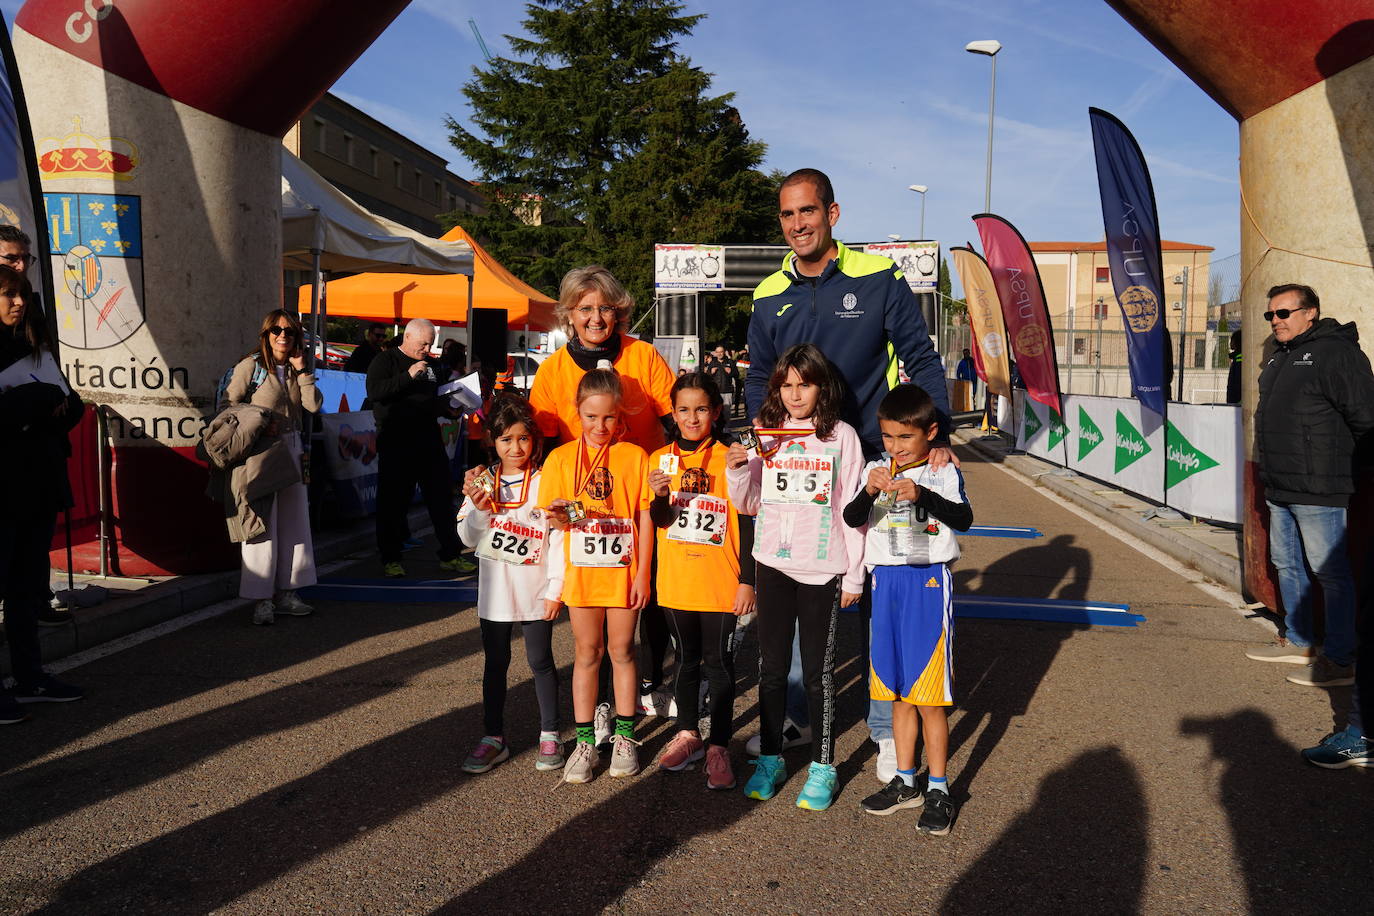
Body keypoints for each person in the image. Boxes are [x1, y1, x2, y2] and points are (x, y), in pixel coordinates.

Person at [745, 168, 955, 782]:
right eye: (786, 215)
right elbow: (761, 376)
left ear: (832, 213)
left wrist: (934, 435)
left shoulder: (877, 278)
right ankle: (799, 717)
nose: (797, 225)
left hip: (872, 461)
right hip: (797, 467)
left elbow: (919, 358)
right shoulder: (767, 294)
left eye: (807, 212)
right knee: (793, 578)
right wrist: (766, 438)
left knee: (873, 597)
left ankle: (890, 732)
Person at [528, 266, 677, 721]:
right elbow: (540, 442)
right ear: (569, 315)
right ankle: (601, 704)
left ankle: (649, 683)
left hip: (642, 495)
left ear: (619, 313)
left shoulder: (644, 356)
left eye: (604, 309)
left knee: (646, 597)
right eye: (585, 308)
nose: (595, 318)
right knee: (593, 624)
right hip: (586, 510)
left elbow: (676, 421)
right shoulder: (552, 371)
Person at [727, 344, 865, 811]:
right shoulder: (767, 436)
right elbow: (748, 503)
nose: (794, 394)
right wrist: (736, 471)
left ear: (821, 386)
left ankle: (824, 766)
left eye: (803, 383)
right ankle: (770, 757)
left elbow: (853, 509)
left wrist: (854, 576)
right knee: (770, 670)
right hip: (772, 563)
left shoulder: (842, 435)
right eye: (786, 385)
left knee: (818, 674)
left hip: (823, 567)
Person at [844, 384, 973, 836]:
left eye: (905, 437)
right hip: (887, 582)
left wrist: (923, 496)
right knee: (896, 692)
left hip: (927, 582)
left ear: (930, 434)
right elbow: (853, 517)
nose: (895, 447)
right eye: (888, 437)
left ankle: (939, 787)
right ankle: (905, 781)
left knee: (929, 698)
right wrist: (868, 491)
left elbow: (964, 519)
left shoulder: (941, 470)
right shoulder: (878, 468)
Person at [1246, 284, 1374, 690]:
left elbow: (1366, 415)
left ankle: (1339, 659)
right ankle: (1300, 640)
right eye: (1270, 315)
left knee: (1330, 573)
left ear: (1310, 313)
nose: (1276, 321)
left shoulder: (1336, 353)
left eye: (1283, 313)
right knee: (1287, 564)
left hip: (1319, 486)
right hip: (1281, 484)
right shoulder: (1282, 357)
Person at [540, 366, 653, 783]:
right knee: (588, 653)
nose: (600, 426)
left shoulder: (634, 456)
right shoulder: (561, 458)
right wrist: (557, 515)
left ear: (620, 414)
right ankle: (586, 742)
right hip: (583, 573)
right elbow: (551, 520)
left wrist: (643, 574)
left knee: (623, 651)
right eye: (591, 417)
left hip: (623, 572)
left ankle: (624, 736)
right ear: (577, 413)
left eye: (608, 417)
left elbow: (643, 518)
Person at [647, 372, 755, 790]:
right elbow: (659, 522)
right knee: (686, 660)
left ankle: (719, 746)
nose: (692, 418)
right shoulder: (659, 459)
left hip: (721, 579)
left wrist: (748, 580)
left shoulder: (731, 455)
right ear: (673, 413)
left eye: (701, 410)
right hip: (677, 580)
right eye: (684, 410)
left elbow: (747, 522)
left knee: (720, 664)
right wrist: (659, 497)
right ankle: (688, 732)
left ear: (717, 412)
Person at [456, 395, 565, 775]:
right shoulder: (482, 481)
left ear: (534, 439)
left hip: (534, 590)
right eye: (506, 440)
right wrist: (481, 512)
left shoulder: (546, 480)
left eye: (523, 438)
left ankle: (550, 733)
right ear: (492, 441)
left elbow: (558, 537)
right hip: (496, 593)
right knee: (495, 663)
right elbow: (466, 537)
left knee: (540, 662)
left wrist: (556, 588)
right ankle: (493, 737)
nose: (515, 447)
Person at [0, 264, 85, 722]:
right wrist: (32, 406)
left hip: (38, 484)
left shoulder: (35, 349)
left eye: (23, 295)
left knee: (24, 592)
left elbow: (70, 405)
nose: (19, 303)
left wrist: (55, 410)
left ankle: (30, 676)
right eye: (9, 294)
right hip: (3, 488)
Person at [223, 309, 323, 625]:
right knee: (261, 526)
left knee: (295, 526)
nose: (283, 336)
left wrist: (303, 370)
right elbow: (228, 406)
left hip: (292, 452)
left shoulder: (296, 370)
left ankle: (288, 592)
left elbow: (313, 405)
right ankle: (261, 599)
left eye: (289, 332)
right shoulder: (249, 367)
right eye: (276, 330)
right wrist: (258, 424)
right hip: (260, 456)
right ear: (266, 335)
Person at [366, 317, 473, 578]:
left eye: (431, 344)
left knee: (441, 500)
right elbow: (375, 392)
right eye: (424, 344)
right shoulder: (386, 360)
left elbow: (434, 400)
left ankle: (450, 554)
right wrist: (407, 376)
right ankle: (391, 557)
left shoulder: (433, 367)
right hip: (396, 441)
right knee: (393, 503)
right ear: (408, 337)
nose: (427, 349)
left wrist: (451, 410)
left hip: (428, 441)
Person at [703, 345, 738, 411]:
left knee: (726, 412)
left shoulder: (730, 362)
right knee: (715, 412)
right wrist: (711, 372)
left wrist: (731, 372)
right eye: (717, 352)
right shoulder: (712, 363)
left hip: (727, 391)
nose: (719, 353)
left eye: (721, 352)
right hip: (716, 392)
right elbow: (707, 377)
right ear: (715, 353)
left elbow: (736, 374)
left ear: (724, 352)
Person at [955, 348, 977, 412]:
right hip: (966, 382)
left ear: (969, 353)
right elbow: (958, 372)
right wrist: (960, 380)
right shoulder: (962, 362)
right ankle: (967, 407)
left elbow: (977, 368)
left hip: (974, 381)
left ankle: (973, 406)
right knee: (967, 394)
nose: (966, 355)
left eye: (967, 353)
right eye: (965, 354)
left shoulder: (972, 361)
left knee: (973, 393)